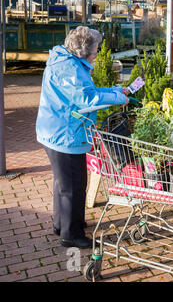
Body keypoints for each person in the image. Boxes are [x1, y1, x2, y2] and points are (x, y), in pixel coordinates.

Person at [36, 26, 129, 249]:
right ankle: (71, 235)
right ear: (84, 50)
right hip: (65, 134)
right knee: (74, 186)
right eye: (96, 49)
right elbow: (87, 98)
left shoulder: (65, 61)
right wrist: (118, 98)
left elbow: (87, 91)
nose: (97, 52)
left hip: (55, 131)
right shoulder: (70, 69)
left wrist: (115, 90)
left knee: (64, 183)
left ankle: (62, 224)